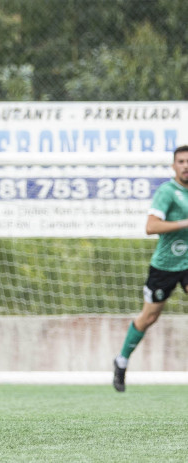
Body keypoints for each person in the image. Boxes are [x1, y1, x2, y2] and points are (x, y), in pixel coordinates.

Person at [113, 144, 188, 392]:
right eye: (181, 162)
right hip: (165, 266)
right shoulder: (167, 192)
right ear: (174, 166)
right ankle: (122, 361)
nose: (186, 166)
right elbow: (151, 227)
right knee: (149, 317)